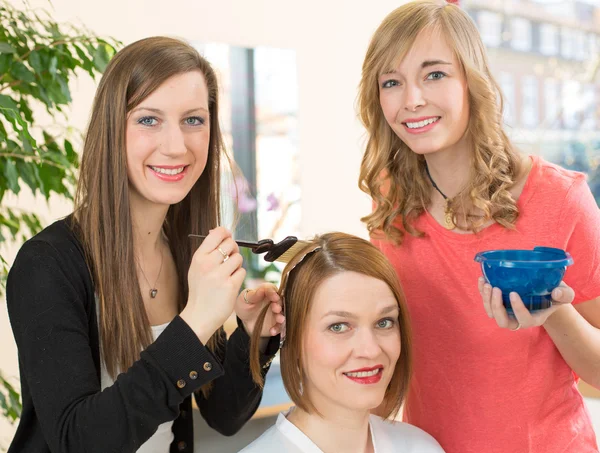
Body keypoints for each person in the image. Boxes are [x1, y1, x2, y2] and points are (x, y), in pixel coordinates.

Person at [6, 36, 282, 453]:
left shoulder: (186, 253)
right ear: (112, 129)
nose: (176, 146)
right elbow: (79, 441)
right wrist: (194, 324)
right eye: (149, 120)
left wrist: (250, 336)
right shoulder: (47, 265)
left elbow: (223, 417)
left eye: (193, 120)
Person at [357, 1, 600, 452]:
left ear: (472, 81)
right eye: (392, 82)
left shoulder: (561, 200)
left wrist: (554, 313)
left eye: (435, 74)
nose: (412, 99)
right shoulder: (391, 197)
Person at [240, 233, 445, 453]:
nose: (371, 350)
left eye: (384, 322)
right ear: (289, 334)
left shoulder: (422, 448)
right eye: (338, 326)